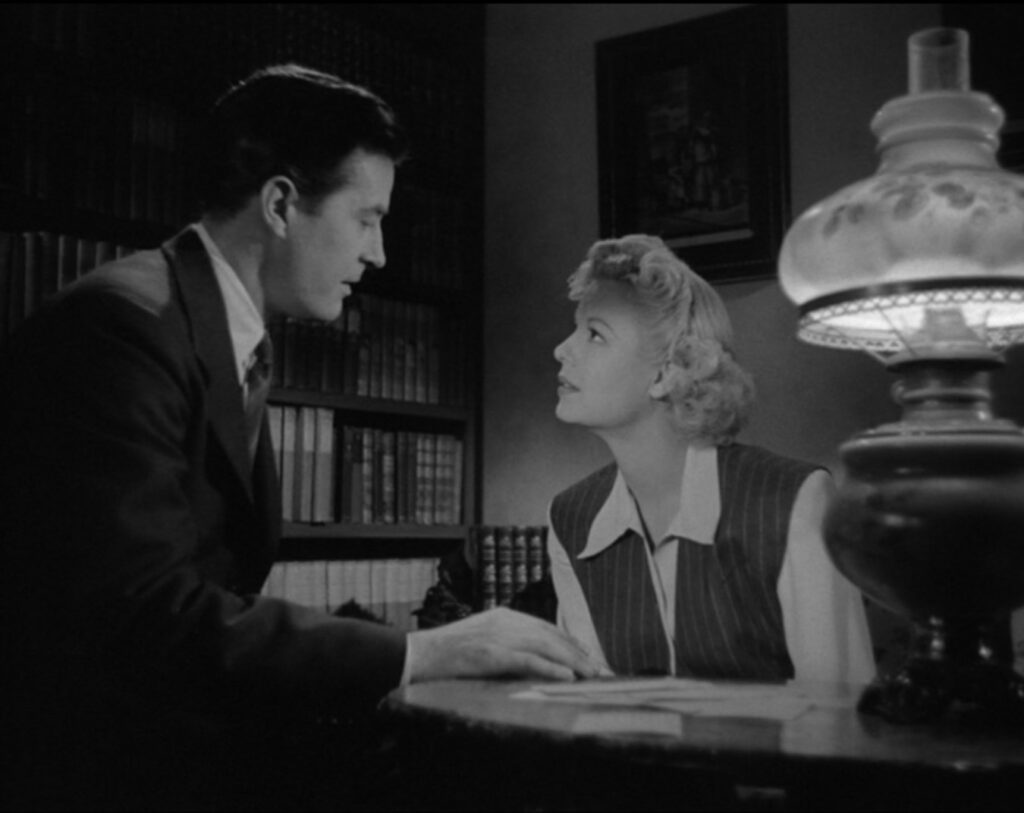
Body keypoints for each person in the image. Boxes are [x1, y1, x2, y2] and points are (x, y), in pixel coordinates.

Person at [0, 64, 596, 811]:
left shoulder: (220, 330)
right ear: (281, 204)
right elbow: (144, 614)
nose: (378, 254)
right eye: (367, 218)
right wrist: (419, 651)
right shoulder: (126, 327)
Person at [547, 233, 875, 685]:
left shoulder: (793, 501)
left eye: (595, 334)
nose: (562, 349)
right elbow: (593, 705)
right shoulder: (572, 517)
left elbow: (841, 713)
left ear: (666, 373)